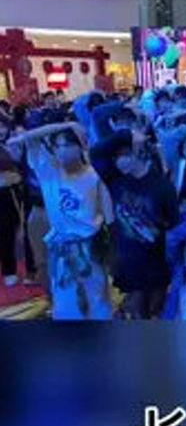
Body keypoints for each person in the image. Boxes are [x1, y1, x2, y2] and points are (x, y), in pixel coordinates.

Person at [9, 122, 114, 319]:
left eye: (68, 145)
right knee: (67, 303)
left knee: (98, 300)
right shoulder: (49, 171)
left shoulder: (93, 175)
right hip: (62, 248)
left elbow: (108, 215)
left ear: (80, 146)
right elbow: (29, 137)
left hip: (90, 246)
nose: (62, 151)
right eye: (58, 146)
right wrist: (65, 125)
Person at [90, 127, 179, 319]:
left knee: (156, 313)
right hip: (128, 261)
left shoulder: (162, 186)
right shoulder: (115, 179)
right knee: (136, 313)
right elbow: (95, 153)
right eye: (115, 157)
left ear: (137, 153)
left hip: (156, 263)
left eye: (123, 155)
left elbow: (174, 225)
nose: (118, 161)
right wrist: (125, 134)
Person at [0, 111, 23, 286]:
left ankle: (9, 270)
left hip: (10, 193)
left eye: (2, 126)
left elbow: (19, 165)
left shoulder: (12, 142)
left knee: (9, 230)